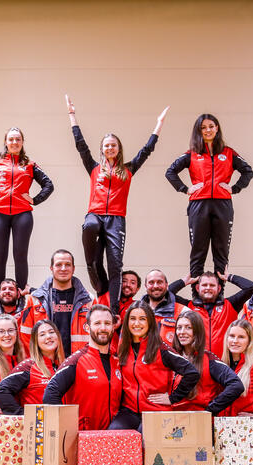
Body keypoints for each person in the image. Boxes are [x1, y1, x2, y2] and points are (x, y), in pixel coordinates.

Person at [66, 94, 168, 318]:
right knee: (91, 245)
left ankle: (112, 310)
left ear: (118, 149)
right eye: (106, 146)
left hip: (116, 220)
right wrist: (72, 115)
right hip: (95, 215)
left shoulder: (128, 169)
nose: (110, 148)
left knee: (115, 266)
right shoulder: (94, 168)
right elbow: (80, 146)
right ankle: (96, 277)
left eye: (113, 145)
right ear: (102, 150)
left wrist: (158, 125)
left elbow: (146, 150)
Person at [165, 113, 253, 278]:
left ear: (217, 128)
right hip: (199, 205)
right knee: (198, 251)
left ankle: (218, 294)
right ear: (198, 131)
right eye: (203, 127)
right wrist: (185, 189)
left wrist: (234, 188)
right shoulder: (191, 153)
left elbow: (248, 171)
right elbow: (170, 172)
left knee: (221, 251)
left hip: (223, 205)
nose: (207, 130)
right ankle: (197, 295)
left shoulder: (228, 153)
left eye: (211, 126)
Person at [0, 127, 55, 289]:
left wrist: (35, 200)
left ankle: (21, 299)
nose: (14, 142)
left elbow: (49, 185)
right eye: (11, 139)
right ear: (6, 142)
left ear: (22, 142)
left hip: (22, 215)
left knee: (20, 256)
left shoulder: (30, 165)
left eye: (17, 139)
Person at [109, 302, 200, 430]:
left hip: (156, 411)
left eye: (142, 319)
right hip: (129, 410)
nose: (136, 324)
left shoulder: (160, 348)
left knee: (144, 440)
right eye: (133, 319)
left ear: (150, 322)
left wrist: (172, 398)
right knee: (114, 434)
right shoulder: (123, 348)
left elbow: (192, 373)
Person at [43, 304, 122, 430]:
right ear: (87, 327)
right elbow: (50, 394)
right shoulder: (76, 361)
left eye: (107, 323)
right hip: (82, 439)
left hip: (112, 438)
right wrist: (66, 427)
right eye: (97, 323)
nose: (103, 328)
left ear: (113, 327)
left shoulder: (117, 360)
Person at [19, 249, 92, 357]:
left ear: (73, 268)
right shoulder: (35, 300)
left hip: (78, 364)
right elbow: (25, 337)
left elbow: (95, 336)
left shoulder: (89, 300)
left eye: (67, 264)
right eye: (59, 265)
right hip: (46, 364)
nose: (63, 269)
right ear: (51, 268)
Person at [169, 270, 253, 358]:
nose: (208, 288)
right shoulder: (188, 307)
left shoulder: (230, 305)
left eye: (212, 285)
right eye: (204, 285)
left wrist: (229, 277)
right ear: (197, 288)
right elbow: (167, 293)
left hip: (225, 362)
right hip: (198, 362)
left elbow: (251, 287)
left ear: (219, 288)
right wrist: (184, 282)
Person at [170, 310, 243, 415]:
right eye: (179, 327)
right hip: (171, 420)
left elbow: (236, 385)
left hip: (200, 422)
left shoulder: (209, 360)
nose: (182, 332)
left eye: (188, 327)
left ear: (197, 331)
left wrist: (210, 410)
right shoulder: (171, 357)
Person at [0, 320, 65, 415]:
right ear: (36, 341)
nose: (48, 337)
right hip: (38, 427)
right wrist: (24, 416)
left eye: (51, 332)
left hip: (62, 423)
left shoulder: (64, 366)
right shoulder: (28, 367)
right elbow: (0, 392)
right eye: (42, 334)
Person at [141, 269, 186, 345]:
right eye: (151, 282)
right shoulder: (135, 312)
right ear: (146, 286)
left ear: (167, 285)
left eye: (160, 282)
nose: (155, 286)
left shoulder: (183, 312)